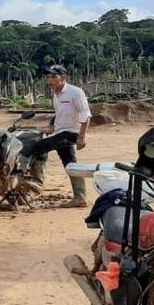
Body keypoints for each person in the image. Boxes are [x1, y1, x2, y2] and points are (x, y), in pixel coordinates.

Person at [30, 65, 92, 208]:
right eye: (48, 77)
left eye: (53, 77)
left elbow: (86, 115)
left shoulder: (75, 92)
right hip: (60, 132)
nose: (49, 80)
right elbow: (59, 113)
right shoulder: (56, 94)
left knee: (39, 146)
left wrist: (82, 137)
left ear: (63, 78)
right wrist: (51, 125)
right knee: (70, 164)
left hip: (71, 133)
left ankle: (37, 182)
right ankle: (80, 198)